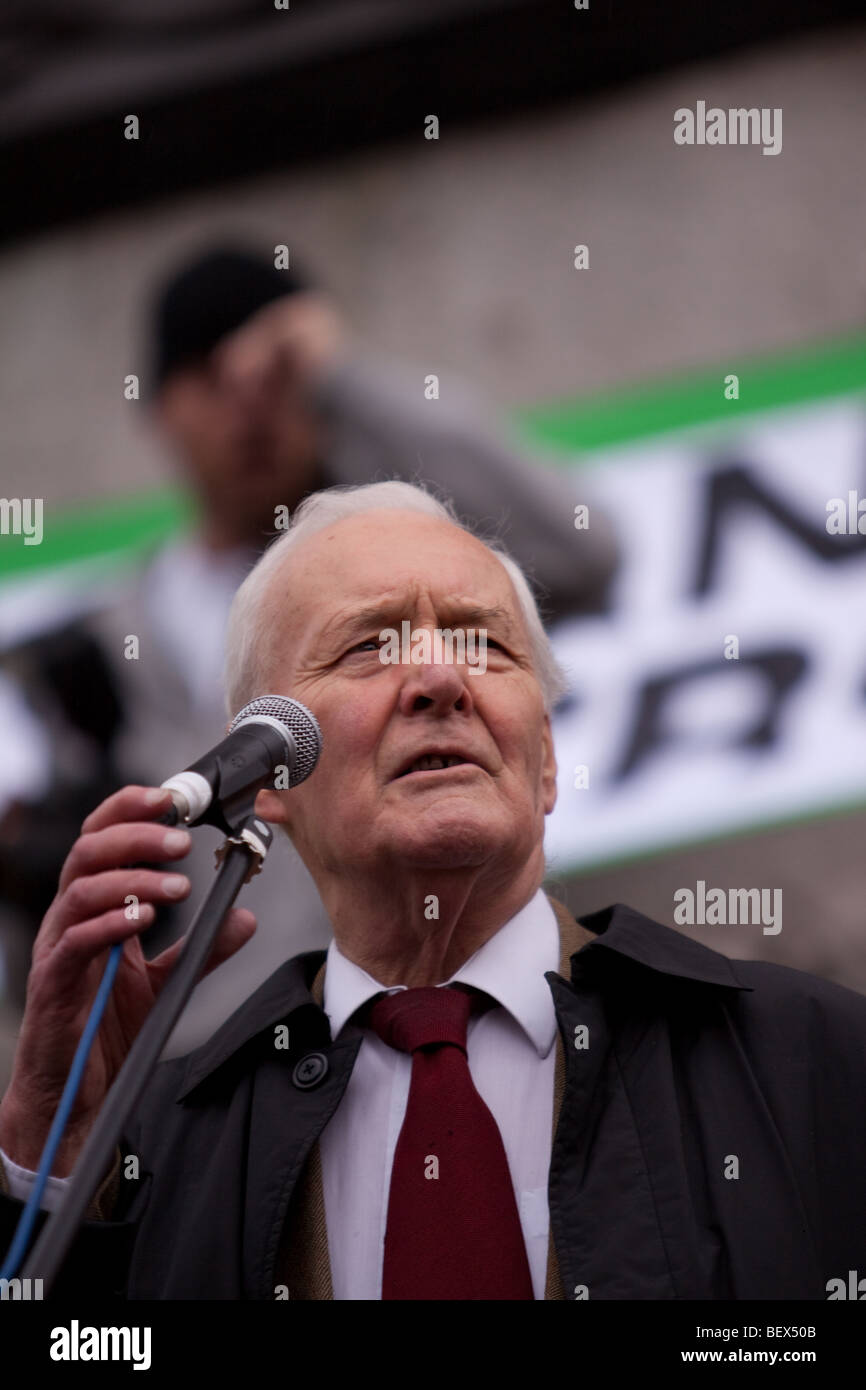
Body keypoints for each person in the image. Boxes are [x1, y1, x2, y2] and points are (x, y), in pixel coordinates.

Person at [0, 480, 863, 1301]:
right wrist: (59, 1155)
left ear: (548, 759)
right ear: (266, 775)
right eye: (369, 645)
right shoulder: (167, 1151)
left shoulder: (812, 1061)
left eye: (482, 642)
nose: (441, 680)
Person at [0, 245, 618, 1050]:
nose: (251, 406)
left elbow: (581, 555)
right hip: (202, 1090)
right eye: (212, 378)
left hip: (431, 1033)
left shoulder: (416, 568)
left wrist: (340, 374)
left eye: (278, 375)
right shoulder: (81, 664)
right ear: (157, 409)